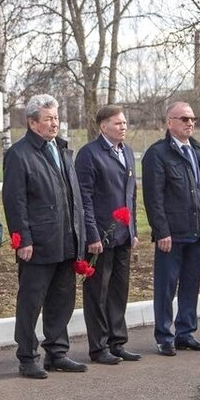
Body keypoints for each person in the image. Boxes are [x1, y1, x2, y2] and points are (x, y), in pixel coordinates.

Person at [2, 95, 88, 378]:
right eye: (49, 119)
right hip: (37, 243)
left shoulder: (63, 150)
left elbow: (73, 198)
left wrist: (81, 236)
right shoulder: (20, 154)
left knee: (62, 299)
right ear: (32, 122)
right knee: (31, 302)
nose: (55, 123)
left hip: (66, 239)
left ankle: (57, 352)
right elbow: (15, 202)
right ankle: (27, 356)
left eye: (56, 118)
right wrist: (22, 239)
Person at [141, 101, 200, 355]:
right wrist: (161, 231)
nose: (190, 123)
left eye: (192, 119)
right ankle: (165, 336)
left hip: (197, 232)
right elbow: (154, 198)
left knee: (190, 284)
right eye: (184, 119)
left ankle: (185, 332)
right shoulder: (158, 154)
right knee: (166, 286)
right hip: (172, 235)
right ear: (170, 122)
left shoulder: (198, 151)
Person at [74, 104, 140, 365]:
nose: (123, 127)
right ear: (103, 126)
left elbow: (130, 195)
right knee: (97, 293)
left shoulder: (128, 153)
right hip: (100, 237)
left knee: (118, 291)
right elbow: (85, 199)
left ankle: (117, 342)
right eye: (117, 123)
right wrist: (92, 235)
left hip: (123, 236)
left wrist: (132, 229)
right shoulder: (90, 154)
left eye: (124, 123)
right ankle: (98, 346)